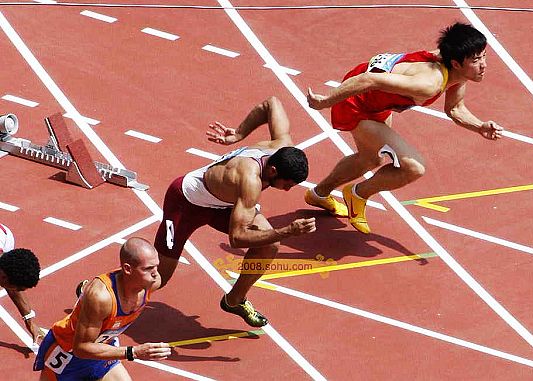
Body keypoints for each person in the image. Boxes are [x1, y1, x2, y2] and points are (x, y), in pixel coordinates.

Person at [305, 22, 504, 234]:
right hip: (356, 102)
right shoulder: (429, 83)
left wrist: (479, 126)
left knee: (370, 159)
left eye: (483, 56)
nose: (483, 64)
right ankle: (357, 194)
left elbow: (455, 108)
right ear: (455, 63)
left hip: (377, 104)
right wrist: (325, 102)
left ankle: (319, 194)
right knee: (414, 167)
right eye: (476, 60)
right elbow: (369, 79)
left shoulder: (456, 68)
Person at [154, 96, 316, 327]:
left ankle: (235, 300)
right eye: (287, 184)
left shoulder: (283, 146)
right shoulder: (249, 180)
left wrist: (239, 133)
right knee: (158, 279)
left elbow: (272, 103)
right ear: (272, 171)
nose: (288, 190)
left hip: (226, 204)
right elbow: (237, 238)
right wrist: (288, 230)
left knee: (269, 244)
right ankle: (105, 285)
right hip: (186, 203)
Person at [34, 237, 171, 380]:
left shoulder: (152, 283)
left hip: (102, 349)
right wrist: (133, 352)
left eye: (156, 266)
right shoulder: (101, 297)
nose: (155, 274)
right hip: (67, 354)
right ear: (127, 269)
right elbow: (81, 348)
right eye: (148, 268)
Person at [0, 223, 43, 344]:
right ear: (4, 277)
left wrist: (30, 320)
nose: (16, 291)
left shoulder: (6, 238)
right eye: (16, 288)